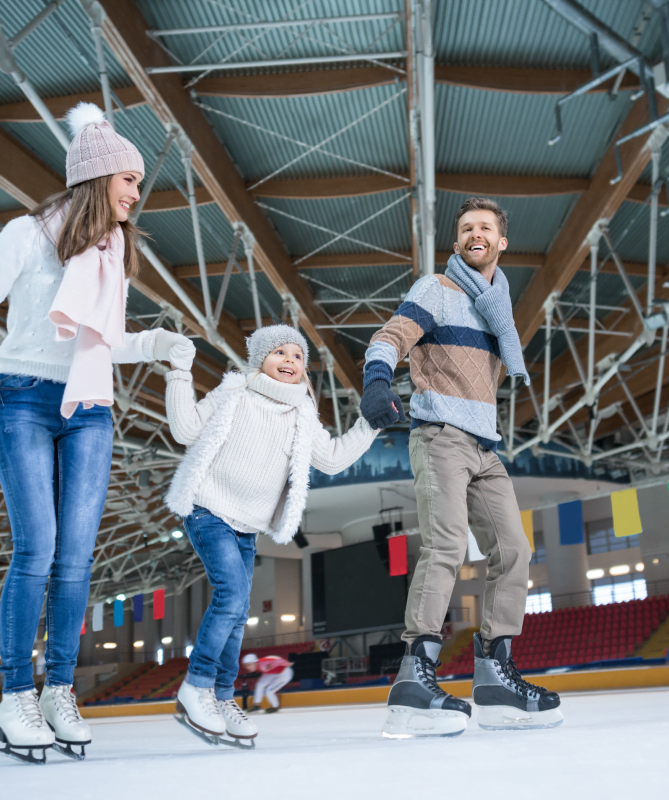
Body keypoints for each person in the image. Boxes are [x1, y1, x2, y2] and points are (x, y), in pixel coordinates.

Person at [0, 103, 195, 763]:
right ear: (98, 177)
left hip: (89, 407)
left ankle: (60, 689)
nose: (136, 191)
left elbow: (108, 340)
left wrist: (156, 341)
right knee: (36, 547)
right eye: (128, 178)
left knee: (77, 558)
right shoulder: (26, 235)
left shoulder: (116, 245)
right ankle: (16, 695)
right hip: (22, 400)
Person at [360, 198, 562, 737]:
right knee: (446, 543)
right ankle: (414, 674)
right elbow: (389, 337)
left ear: (500, 243)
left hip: (485, 446)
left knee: (514, 549)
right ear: (457, 244)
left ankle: (495, 673)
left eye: (486, 228)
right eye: (467, 228)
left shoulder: (498, 308)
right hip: (441, 438)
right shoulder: (437, 288)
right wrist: (377, 381)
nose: (476, 233)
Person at [164, 325, 377, 744]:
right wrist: (179, 372)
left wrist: (370, 425)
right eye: (279, 352)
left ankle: (223, 698)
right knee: (231, 597)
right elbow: (186, 431)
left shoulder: (302, 414)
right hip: (209, 510)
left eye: (297, 356)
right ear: (259, 359)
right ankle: (196, 684)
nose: (289, 361)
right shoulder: (235, 393)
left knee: (238, 610)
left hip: (247, 526)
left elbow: (332, 459)